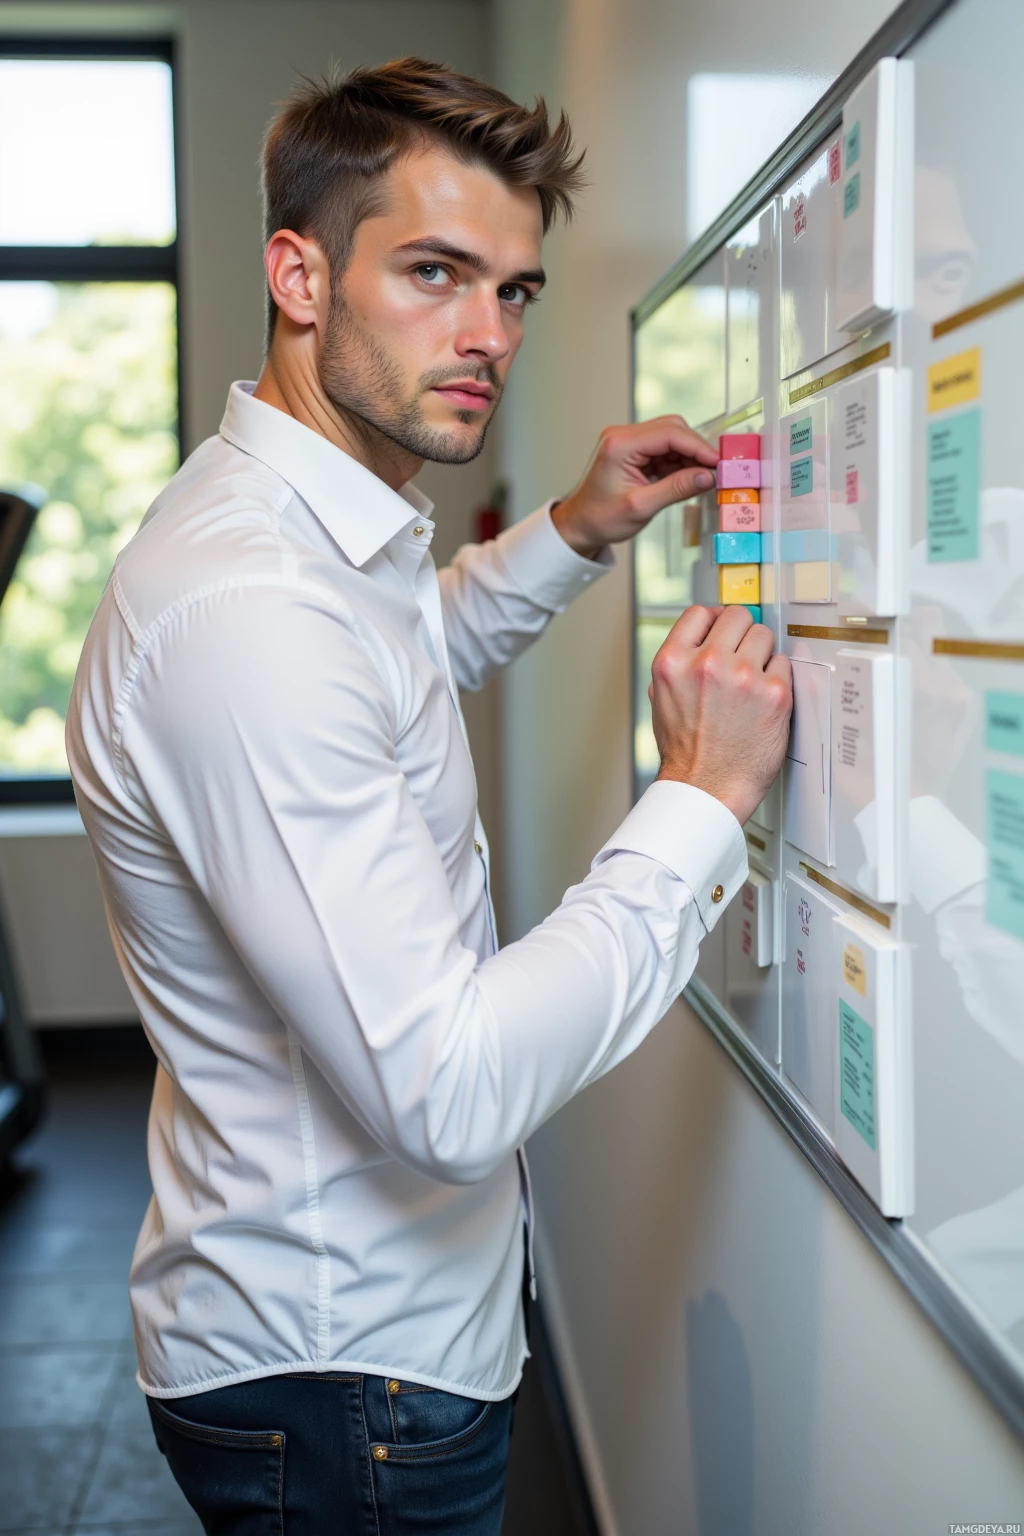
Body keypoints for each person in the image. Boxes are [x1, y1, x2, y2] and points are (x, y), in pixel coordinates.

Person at [66, 56, 792, 1536]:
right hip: (342, 1387)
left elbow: (406, 654)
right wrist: (701, 803)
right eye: (435, 272)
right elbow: (446, 1089)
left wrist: (578, 533)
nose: (487, 335)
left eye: (514, 291)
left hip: (366, 1349)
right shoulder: (247, 608)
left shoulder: (314, 539)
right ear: (300, 274)